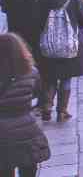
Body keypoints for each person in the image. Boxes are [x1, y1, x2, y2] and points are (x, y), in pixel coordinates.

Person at [33, 0, 83, 122]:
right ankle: (62, 111)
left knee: (50, 78)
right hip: (69, 46)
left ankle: (46, 108)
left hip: (48, 46)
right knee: (66, 79)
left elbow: (36, 22)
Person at [0, 33, 50, 177]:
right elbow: (37, 93)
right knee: (28, 169)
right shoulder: (31, 72)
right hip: (27, 129)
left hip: (2, 133)